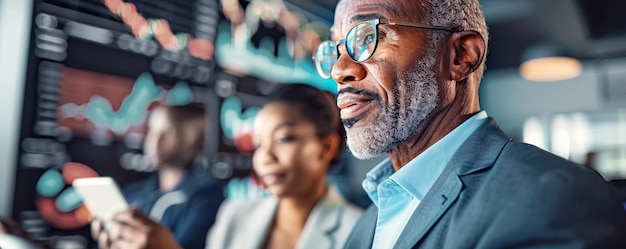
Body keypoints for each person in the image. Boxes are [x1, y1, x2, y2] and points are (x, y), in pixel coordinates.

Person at [310, 0, 626, 248]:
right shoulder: (370, 220)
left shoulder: (555, 197)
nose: (339, 70)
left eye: (367, 37)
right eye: (334, 49)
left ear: (461, 56)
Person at [206, 83, 363, 249]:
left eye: (283, 139)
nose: (265, 158)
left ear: (327, 148)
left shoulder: (360, 231)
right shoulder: (233, 216)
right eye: (258, 144)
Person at [91, 104, 224, 249]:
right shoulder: (134, 193)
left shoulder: (208, 196)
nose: (155, 139)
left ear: (194, 138)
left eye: (168, 131)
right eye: (152, 129)